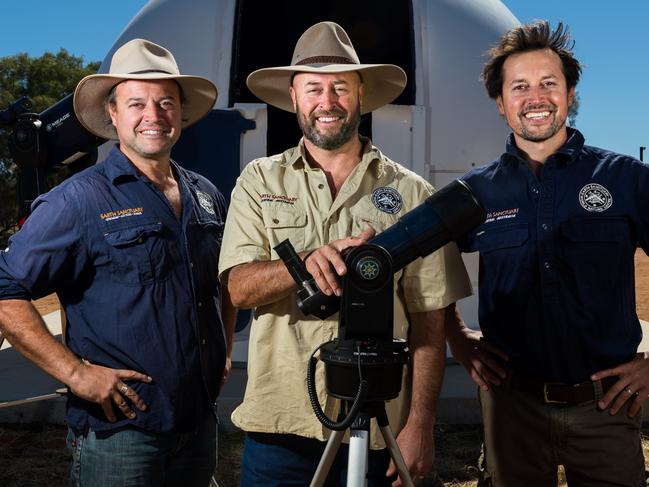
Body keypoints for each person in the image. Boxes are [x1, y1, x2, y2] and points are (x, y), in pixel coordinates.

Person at [218, 21, 471, 486]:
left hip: (380, 428)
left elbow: (430, 320)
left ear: (361, 95)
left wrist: (419, 426)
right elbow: (238, 288)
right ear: (294, 97)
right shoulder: (259, 181)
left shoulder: (411, 192)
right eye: (313, 88)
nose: (327, 101)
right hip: (280, 427)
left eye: (340, 88)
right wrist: (306, 264)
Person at [0, 38, 235, 486]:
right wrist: (75, 373)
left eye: (166, 102)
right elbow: (5, 287)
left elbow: (225, 281)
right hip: (121, 436)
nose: (153, 115)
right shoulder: (77, 200)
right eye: (137, 103)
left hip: (199, 422)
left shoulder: (206, 194)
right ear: (113, 114)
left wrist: (223, 348)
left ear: (181, 112)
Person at [446, 20, 649, 487]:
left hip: (607, 407)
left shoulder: (627, 180)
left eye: (548, 83)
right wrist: (458, 336)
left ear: (570, 93)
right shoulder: (475, 192)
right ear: (501, 103)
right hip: (511, 407)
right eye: (520, 87)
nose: (535, 97)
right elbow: (421, 271)